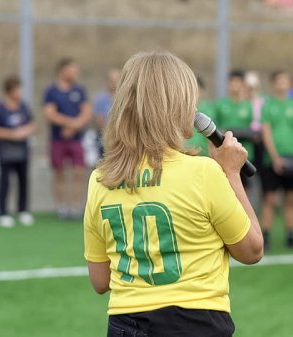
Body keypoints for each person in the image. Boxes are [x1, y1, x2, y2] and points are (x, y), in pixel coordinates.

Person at [84, 50, 263, 336]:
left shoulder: (100, 180)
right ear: (177, 106)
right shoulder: (203, 173)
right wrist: (231, 173)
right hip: (194, 323)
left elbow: (100, 280)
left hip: (123, 324)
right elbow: (252, 250)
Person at [260, 70, 293, 249]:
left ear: (290, 83)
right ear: (273, 83)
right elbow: (266, 133)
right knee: (270, 199)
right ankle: (265, 236)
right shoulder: (267, 105)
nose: (282, 83)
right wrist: (275, 157)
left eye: (285, 80)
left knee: (292, 198)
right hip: (273, 160)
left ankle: (291, 235)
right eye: (279, 80)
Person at [44, 58, 92, 219]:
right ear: (63, 71)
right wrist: (68, 123)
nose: (75, 73)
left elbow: (86, 112)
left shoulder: (80, 90)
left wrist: (74, 126)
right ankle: (61, 207)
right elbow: (50, 114)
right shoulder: (52, 91)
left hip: (76, 139)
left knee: (79, 172)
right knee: (59, 173)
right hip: (58, 139)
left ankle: (77, 207)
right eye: (72, 69)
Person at [0, 76, 35, 228]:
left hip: (22, 151)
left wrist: (24, 131)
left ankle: (22, 210)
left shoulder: (23, 107)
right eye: (17, 89)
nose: (20, 92)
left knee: (23, 181)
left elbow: (32, 124)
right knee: (5, 182)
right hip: (6, 152)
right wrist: (11, 134)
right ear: (10, 91)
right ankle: (3, 213)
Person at [215, 70, 254, 186]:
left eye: (238, 82)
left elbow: (254, 129)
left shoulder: (248, 106)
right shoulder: (220, 105)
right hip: (225, 152)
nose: (235, 85)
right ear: (228, 84)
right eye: (233, 82)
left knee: (244, 189)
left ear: (243, 84)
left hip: (244, 153)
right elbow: (215, 128)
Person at [185, 76, 216, 156]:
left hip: (203, 155)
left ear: (202, 91)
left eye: (196, 90)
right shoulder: (182, 109)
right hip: (184, 154)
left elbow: (212, 136)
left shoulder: (210, 109)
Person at [93, 68, 120, 157]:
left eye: (116, 81)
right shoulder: (100, 99)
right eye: (111, 81)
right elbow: (99, 120)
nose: (113, 84)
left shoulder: (126, 99)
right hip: (106, 138)